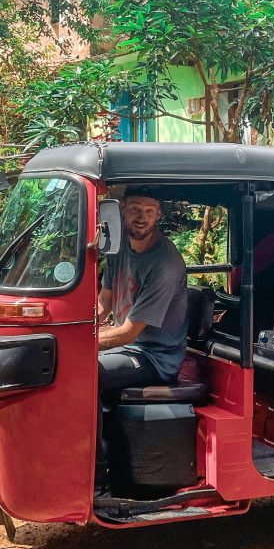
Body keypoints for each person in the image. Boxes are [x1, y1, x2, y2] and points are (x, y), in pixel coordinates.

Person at [96, 188, 188, 491]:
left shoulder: (165, 262)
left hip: (154, 357)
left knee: (86, 374)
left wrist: (85, 341)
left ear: (159, 215)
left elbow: (129, 332)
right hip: (128, 346)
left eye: (150, 211)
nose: (141, 217)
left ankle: (95, 474)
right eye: (135, 209)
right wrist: (80, 326)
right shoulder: (119, 247)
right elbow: (104, 301)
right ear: (122, 209)